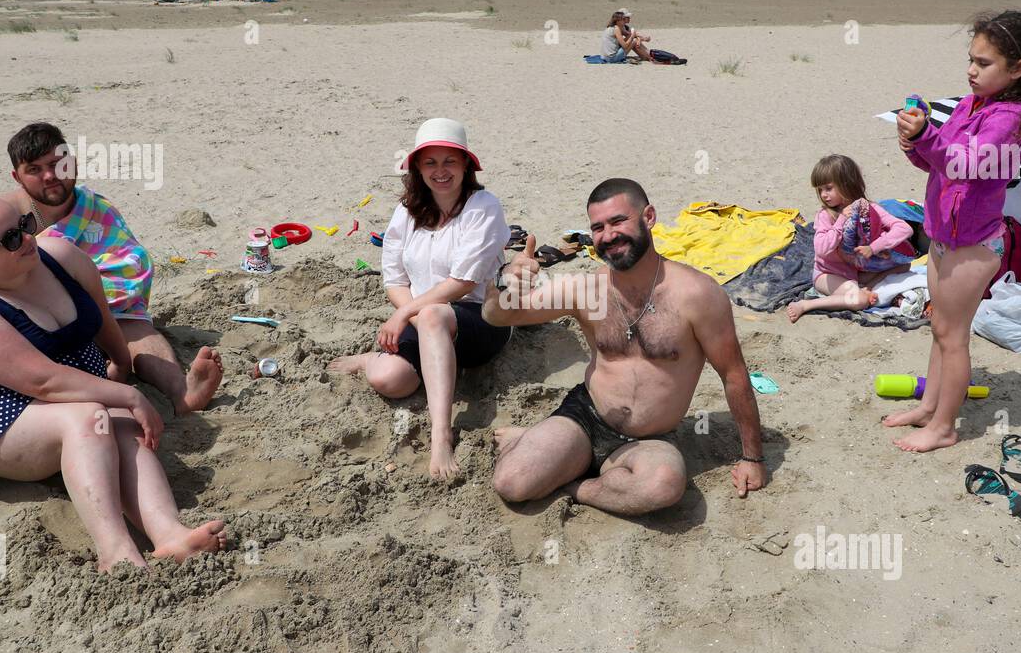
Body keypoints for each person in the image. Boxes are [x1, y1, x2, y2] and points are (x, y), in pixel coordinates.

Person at [0, 193, 227, 572]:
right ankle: (114, 551)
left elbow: (105, 323)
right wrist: (127, 393)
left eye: (24, 225)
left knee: (116, 422)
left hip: (68, 389)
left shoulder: (61, 257)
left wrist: (121, 369)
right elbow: (41, 381)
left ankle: (169, 535)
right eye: (9, 239)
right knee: (89, 416)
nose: (27, 239)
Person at [483, 178, 768, 515]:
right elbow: (496, 316)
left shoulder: (697, 295)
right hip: (586, 419)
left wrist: (752, 458)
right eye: (598, 227)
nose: (608, 235)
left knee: (663, 485)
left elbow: (734, 375)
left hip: (651, 439)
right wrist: (506, 282)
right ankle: (558, 451)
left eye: (619, 221)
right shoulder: (586, 290)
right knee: (512, 484)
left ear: (648, 216)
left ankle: (576, 484)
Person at [887, 10, 1021, 452]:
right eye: (970, 59)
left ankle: (944, 427)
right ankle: (930, 408)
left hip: (974, 244)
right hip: (944, 236)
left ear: (1018, 69)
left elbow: (967, 162)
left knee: (953, 336)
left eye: (983, 63)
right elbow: (939, 162)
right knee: (940, 326)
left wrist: (928, 137)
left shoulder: (1010, 117)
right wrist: (914, 140)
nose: (971, 70)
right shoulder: (971, 104)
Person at [329, 119, 512, 479]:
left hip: (481, 319)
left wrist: (409, 314)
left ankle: (441, 435)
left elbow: (462, 283)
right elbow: (395, 280)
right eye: (430, 163)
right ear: (416, 168)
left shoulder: (483, 206)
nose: (440, 171)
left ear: (465, 165)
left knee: (433, 317)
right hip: (423, 319)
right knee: (388, 379)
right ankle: (373, 359)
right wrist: (410, 314)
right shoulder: (406, 211)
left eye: (450, 161)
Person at [5, 123, 223, 416]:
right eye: (34, 169)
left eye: (57, 164)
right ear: (17, 177)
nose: (49, 176)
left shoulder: (93, 206)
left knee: (134, 328)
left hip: (112, 308)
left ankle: (181, 391)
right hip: (47, 319)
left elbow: (124, 263)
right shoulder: (6, 219)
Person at [786, 154, 915, 322]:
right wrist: (840, 221)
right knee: (859, 300)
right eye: (820, 190)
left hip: (855, 271)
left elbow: (904, 229)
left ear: (846, 184)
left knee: (904, 265)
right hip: (828, 273)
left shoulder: (868, 208)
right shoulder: (825, 215)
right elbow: (821, 249)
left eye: (828, 188)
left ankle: (866, 288)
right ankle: (806, 305)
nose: (824, 195)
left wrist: (874, 247)